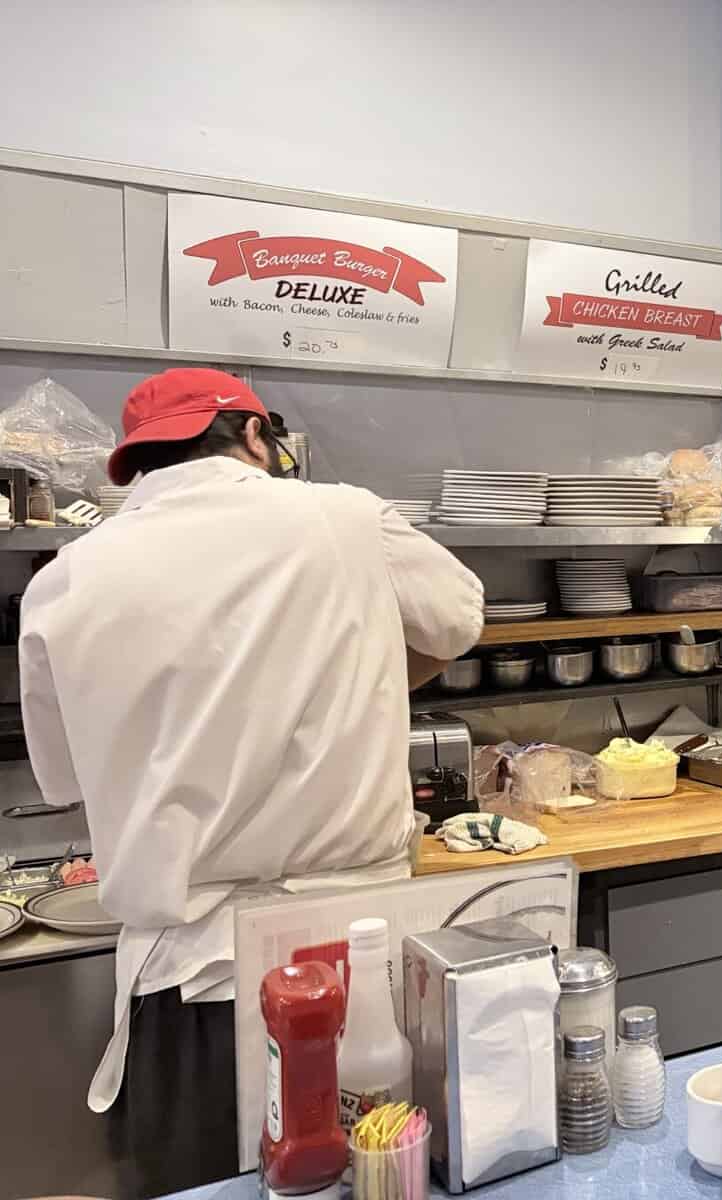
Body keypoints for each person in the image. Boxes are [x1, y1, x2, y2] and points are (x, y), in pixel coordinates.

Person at [18, 367, 484, 1195]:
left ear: (140, 466)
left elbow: (63, 774)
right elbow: (459, 615)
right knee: (380, 1181)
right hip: (354, 972)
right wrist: (361, 679)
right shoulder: (346, 518)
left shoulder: (66, 574)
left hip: (187, 983)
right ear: (255, 438)